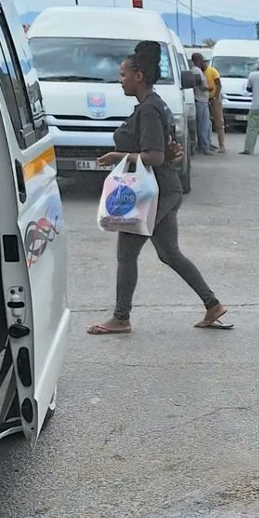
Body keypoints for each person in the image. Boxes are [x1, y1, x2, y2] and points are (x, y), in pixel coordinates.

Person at [88, 40, 231, 335]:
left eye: (123, 75)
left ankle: (121, 317)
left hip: (156, 192)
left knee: (127, 254)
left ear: (139, 76)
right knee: (169, 253)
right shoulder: (153, 105)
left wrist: (117, 156)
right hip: (166, 190)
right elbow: (165, 149)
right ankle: (212, 304)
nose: (121, 81)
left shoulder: (150, 109)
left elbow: (154, 156)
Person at [189, 53, 213, 155]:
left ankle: (204, 145)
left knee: (206, 124)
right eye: (202, 60)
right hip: (200, 100)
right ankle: (204, 147)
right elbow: (200, 86)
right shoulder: (196, 71)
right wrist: (210, 88)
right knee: (204, 125)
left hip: (202, 100)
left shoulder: (196, 71)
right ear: (198, 60)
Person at [204, 56, 227, 153]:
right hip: (204, 99)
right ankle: (207, 143)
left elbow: (219, 85)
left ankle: (222, 146)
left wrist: (214, 96)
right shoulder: (199, 72)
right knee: (205, 122)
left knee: (219, 122)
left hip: (214, 99)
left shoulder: (212, 71)